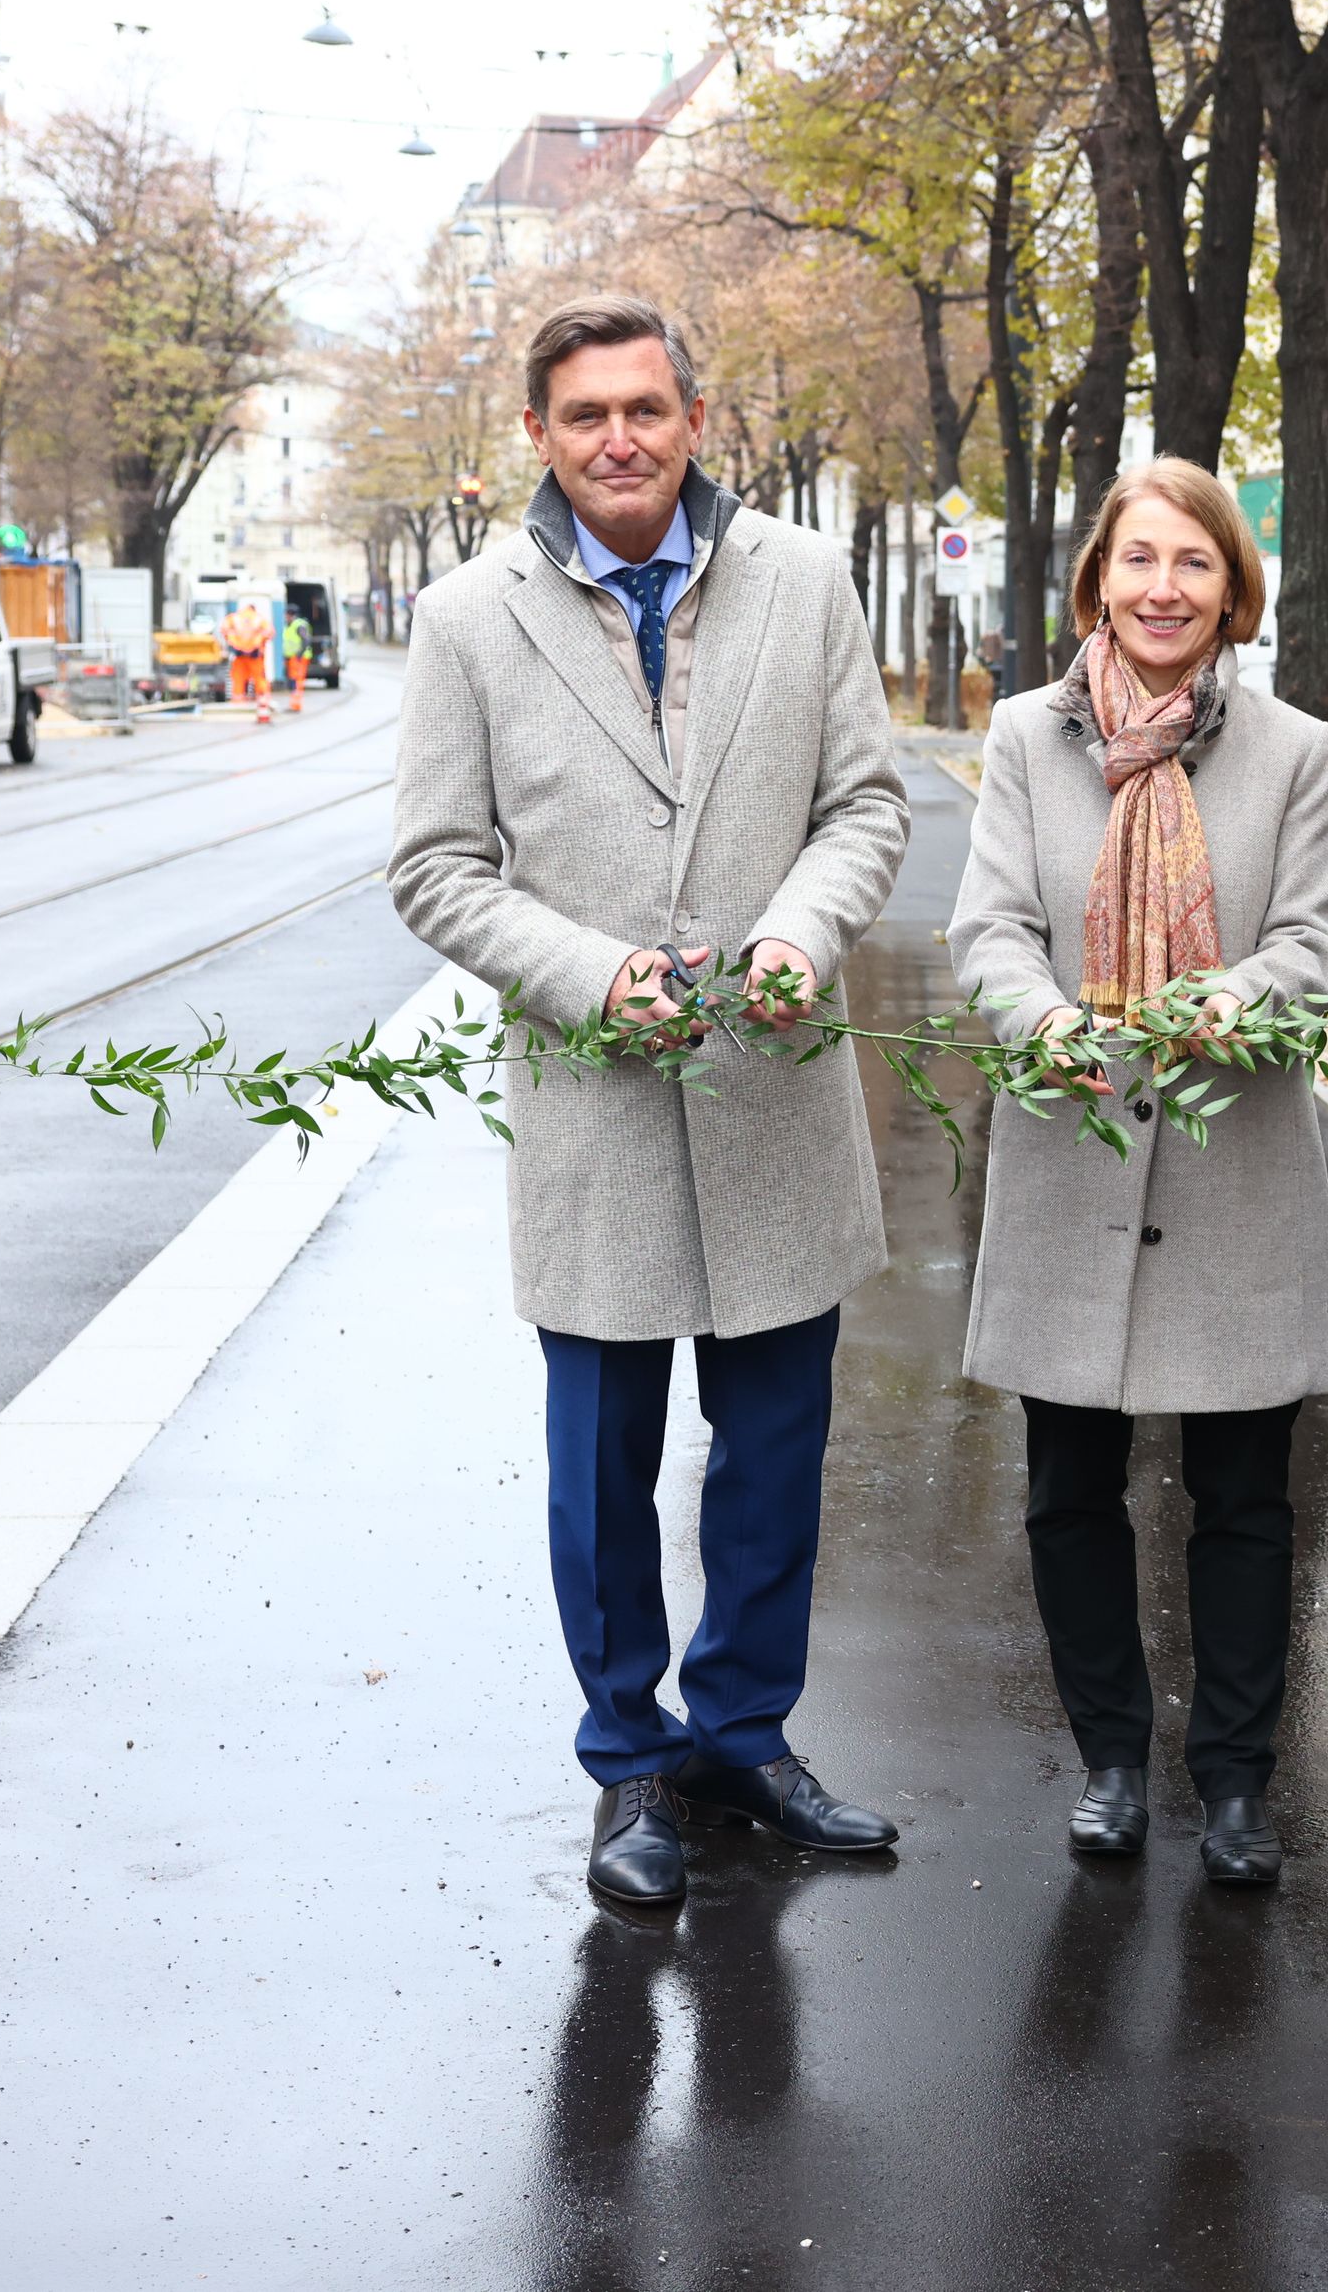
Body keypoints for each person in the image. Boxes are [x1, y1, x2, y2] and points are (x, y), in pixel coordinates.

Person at [390, 293, 913, 1906]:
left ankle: (744, 1732)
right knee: (601, 1469)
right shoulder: (467, 619)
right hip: (595, 1106)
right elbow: (435, 866)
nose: (618, 438)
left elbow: (864, 803)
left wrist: (799, 932)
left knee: (773, 1454)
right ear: (538, 437)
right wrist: (586, 970)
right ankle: (628, 1757)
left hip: (773, 1089)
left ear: (693, 419)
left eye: (644, 408)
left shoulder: (806, 581)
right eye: (585, 414)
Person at [946, 458, 1328, 1888]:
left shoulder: (1294, 748)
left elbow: (1311, 942)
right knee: (1070, 1488)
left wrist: (1238, 996)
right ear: (1097, 581)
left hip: (1234, 1158)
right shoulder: (1026, 735)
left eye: (1193, 562)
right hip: (1075, 1148)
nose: (1163, 587)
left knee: (1244, 1498)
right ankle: (1111, 1761)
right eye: (1139, 560)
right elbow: (991, 924)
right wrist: (1038, 1015)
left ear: (1232, 588)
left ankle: (1235, 1781)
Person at [221, 595, 273, 712]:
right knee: (259, 679)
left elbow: (224, 629)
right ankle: (263, 704)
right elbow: (269, 632)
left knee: (238, 680)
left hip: (239, 654)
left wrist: (234, 643)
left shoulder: (234, 618)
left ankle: (238, 705)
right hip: (255, 654)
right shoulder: (259, 619)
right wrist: (259, 643)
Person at [276, 602, 311, 717]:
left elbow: (306, 640)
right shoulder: (288, 625)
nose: (284, 616)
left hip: (299, 658)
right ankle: (294, 704)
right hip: (291, 658)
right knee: (293, 681)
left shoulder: (299, 625)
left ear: (290, 614)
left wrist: (299, 654)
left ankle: (296, 705)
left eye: (286, 614)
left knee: (297, 681)